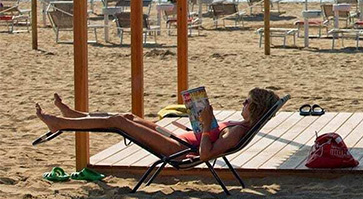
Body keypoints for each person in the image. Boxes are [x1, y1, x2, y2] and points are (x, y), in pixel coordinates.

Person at [35, 88, 279, 160]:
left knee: (119, 122)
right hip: (180, 139)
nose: (242, 102)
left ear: (255, 108)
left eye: (247, 101)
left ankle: (60, 124)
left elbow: (206, 155)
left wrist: (205, 125)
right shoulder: (240, 125)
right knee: (128, 116)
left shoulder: (237, 131)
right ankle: (74, 115)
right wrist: (199, 120)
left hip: (179, 150)